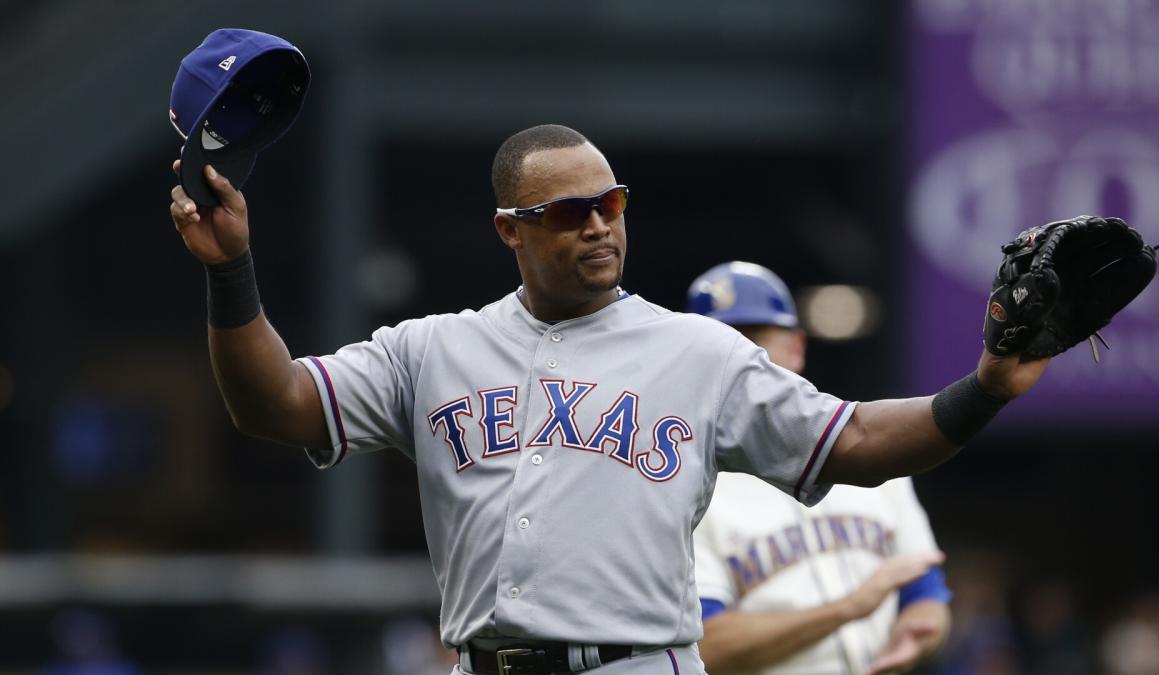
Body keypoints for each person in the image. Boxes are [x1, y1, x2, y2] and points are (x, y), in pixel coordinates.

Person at [167, 124, 1049, 674]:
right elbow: (272, 404)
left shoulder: (699, 350)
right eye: (570, 210)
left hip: (637, 663)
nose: (598, 223)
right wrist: (231, 272)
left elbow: (852, 439)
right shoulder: (431, 349)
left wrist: (982, 392)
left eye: (611, 202)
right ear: (511, 230)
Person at [686, 262, 951, 675]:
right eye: (719, 346)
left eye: (754, 341)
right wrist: (847, 608)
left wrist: (918, 633)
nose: (735, 360)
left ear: (796, 347)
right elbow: (708, 647)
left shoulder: (865, 456)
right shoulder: (687, 488)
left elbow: (926, 595)